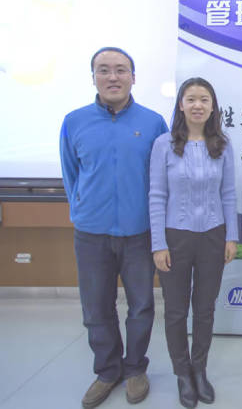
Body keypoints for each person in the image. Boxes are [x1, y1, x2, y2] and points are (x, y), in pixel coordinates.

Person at [59, 47, 168, 408]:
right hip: (91, 233)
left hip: (140, 233)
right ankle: (107, 371)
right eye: (103, 70)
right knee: (96, 308)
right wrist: (83, 209)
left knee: (141, 306)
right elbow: (71, 174)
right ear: (93, 77)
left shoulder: (153, 123)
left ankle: (135, 368)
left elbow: (162, 178)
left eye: (121, 70)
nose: (113, 77)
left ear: (133, 77)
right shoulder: (74, 121)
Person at [149, 77, 238, 408]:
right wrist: (158, 244)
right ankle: (182, 373)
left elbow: (229, 194)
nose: (197, 105)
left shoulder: (223, 145)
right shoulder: (163, 145)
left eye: (204, 99)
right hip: (175, 237)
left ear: (213, 107)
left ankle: (199, 369)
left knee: (205, 309)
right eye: (191, 99)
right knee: (175, 311)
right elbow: (157, 195)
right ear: (181, 105)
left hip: (214, 235)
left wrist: (231, 237)